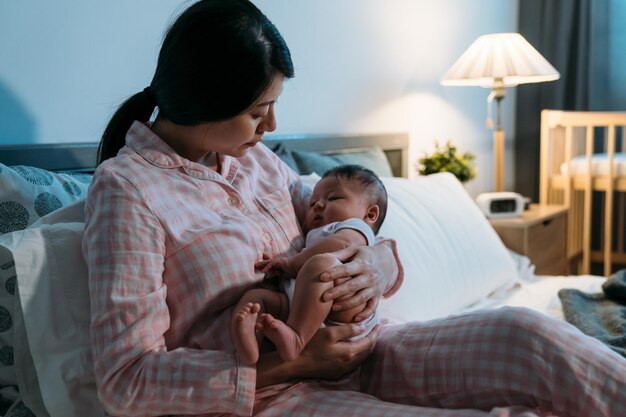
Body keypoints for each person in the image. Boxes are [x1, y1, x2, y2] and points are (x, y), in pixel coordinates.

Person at [82, 0, 626, 416]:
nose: (271, 128)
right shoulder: (128, 191)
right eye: (258, 112)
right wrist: (286, 366)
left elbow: (352, 227)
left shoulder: (255, 162)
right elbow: (125, 379)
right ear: (205, 101)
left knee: (524, 335)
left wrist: (374, 267)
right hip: (271, 398)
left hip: (366, 346)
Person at [231, 164, 388, 365]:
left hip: (343, 307)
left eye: (333, 198)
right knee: (257, 298)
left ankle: (297, 339)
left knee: (322, 264)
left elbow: (344, 244)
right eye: (313, 202)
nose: (318, 205)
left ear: (370, 214)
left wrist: (293, 263)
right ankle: (249, 346)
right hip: (304, 306)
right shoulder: (315, 234)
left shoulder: (355, 226)